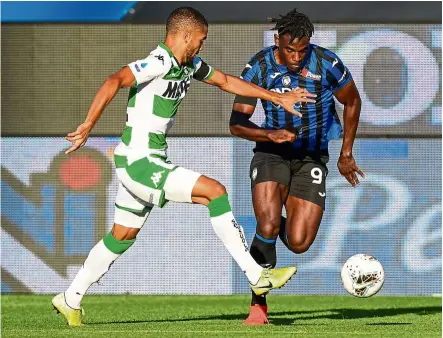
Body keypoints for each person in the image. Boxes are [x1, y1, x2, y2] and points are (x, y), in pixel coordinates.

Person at [51, 7, 316, 327]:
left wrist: (275, 97)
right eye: (201, 40)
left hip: (147, 160)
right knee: (214, 192)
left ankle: (70, 298)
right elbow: (115, 80)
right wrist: (87, 125)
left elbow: (227, 81)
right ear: (186, 36)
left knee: (121, 236)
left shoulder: (189, 65)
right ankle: (256, 274)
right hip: (139, 161)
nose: (202, 45)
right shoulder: (158, 62)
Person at [229, 8, 364, 325]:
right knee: (267, 225)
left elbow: (353, 101)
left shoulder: (326, 64)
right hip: (271, 151)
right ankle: (258, 307)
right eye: (290, 50)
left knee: (301, 243)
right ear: (277, 41)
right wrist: (269, 133)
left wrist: (346, 153)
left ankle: (275, 220)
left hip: (312, 156)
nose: (296, 57)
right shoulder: (260, 66)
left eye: (302, 51)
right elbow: (236, 123)